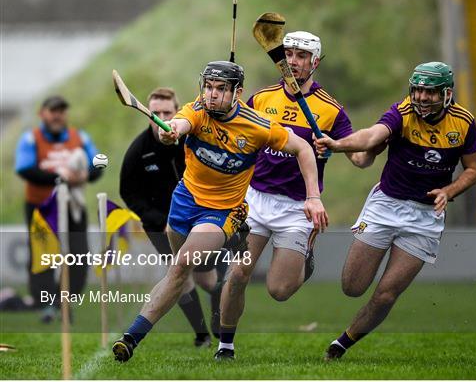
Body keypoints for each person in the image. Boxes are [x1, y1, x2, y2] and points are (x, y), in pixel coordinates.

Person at [112, 60, 328, 362]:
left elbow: (304, 148)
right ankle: (200, 320)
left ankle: (132, 339)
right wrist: (171, 131)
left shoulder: (257, 126)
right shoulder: (197, 110)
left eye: (220, 89)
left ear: (237, 92)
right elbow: (180, 123)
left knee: (183, 263)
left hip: (222, 211)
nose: (211, 95)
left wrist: (313, 196)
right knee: (182, 274)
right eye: (209, 87)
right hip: (184, 201)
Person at [216, 31, 369, 360]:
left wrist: (344, 145)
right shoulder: (261, 99)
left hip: (298, 207)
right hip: (255, 200)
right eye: (288, 54)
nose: (294, 62)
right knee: (239, 272)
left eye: (301, 56)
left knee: (279, 291)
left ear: (315, 62)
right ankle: (225, 346)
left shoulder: (330, 110)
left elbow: (358, 157)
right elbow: (236, 132)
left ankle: (305, 260)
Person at [314, 61, 476, 360]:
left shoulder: (464, 122)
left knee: (387, 293)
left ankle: (342, 344)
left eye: (429, 92)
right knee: (352, 287)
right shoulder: (402, 113)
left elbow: (473, 170)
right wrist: (338, 145)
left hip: (425, 218)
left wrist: (449, 191)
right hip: (386, 206)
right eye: (417, 90)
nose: (421, 97)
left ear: (446, 94)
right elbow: (371, 136)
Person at [120, 87, 224, 348]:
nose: (162, 117)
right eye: (155, 112)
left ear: (177, 112)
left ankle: (216, 311)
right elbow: (128, 191)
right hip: (160, 226)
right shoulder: (139, 150)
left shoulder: (192, 139)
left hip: (200, 218)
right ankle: (201, 335)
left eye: (167, 112)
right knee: (180, 277)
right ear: (148, 114)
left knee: (206, 279)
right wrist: (152, 216)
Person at [14, 95, 102, 322]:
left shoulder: (80, 137)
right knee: (43, 256)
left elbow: (100, 161)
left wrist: (86, 174)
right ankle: (46, 306)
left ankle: (63, 302)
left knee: (79, 257)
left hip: (73, 205)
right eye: (53, 110)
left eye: (61, 111)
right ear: (42, 114)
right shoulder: (30, 139)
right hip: (41, 206)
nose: (57, 115)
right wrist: (60, 177)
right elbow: (25, 169)